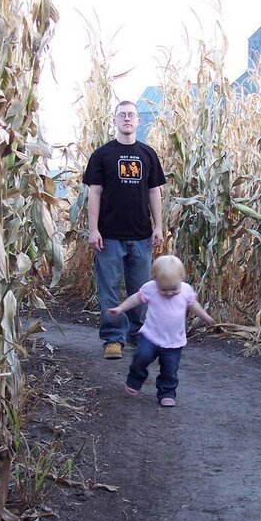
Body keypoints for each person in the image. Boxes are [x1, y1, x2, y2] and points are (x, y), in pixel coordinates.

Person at [82, 100, 166, 359]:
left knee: (140, 291)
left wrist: (158, 226)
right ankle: (112, 339)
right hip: (108, 236)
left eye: (131, 115)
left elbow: (155, 192)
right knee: (109, 289)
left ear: (138, 121)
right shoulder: (102, 155)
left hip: (141, 235)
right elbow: (94, 192)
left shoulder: (148, 154)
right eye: (122, 115)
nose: (127, 119)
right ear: (114, 121)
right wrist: (93, 229)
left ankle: (137, 334)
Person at [108, 255, 214, 407]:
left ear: (182, 279)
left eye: (174, 289)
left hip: (174, 341)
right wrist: (120, 308)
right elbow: (135, 299)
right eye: (164, 289)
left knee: (170, 369)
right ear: (155, 280)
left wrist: (206, 317)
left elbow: (194, 306)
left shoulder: (185, 291)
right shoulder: (150, 288)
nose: (170, 293)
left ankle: (167, 393)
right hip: (150, 335)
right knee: (141, 357)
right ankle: (135, 379)